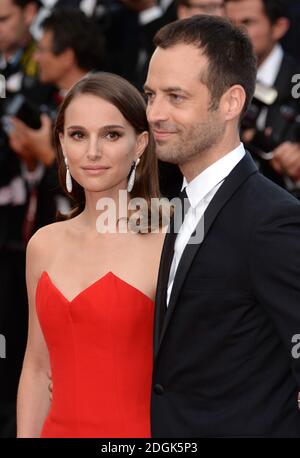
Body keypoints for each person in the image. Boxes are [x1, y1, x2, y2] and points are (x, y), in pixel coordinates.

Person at [144, 15, 300, 437]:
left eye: (176, 97)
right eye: (151, 95)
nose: (155, 113)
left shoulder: (272, 220)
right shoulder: (175, 207)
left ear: (231, 102)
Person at [17, 72, 166, 438]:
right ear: (62, 143)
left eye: (111, 134)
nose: (93, 151)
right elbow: (37, 367)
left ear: (140, 144)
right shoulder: (43, 244)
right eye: (78, 135)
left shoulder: (168, 241)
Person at [225, 0, 300, 197]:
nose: (236, 33)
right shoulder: (214, 80)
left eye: (247, 22)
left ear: (278, 27)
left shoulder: (296, 80)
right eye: (229, 23)